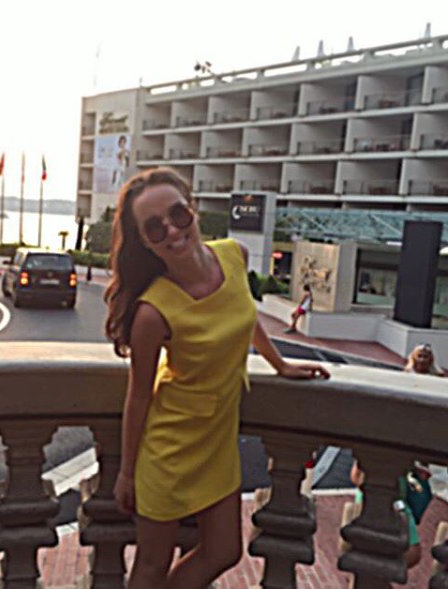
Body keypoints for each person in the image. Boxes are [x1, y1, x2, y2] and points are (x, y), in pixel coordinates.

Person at [104, 167, 330, 588]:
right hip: (169, 449)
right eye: (155, 227)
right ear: (144, 242)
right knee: (151, 565)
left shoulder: (234, 255)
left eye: (178, 214)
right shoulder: (152, 311)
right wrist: (127, 472)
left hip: (218, 440)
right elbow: (139, 396)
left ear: (193, 209)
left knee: (225, 550)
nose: (172, 230)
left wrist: (279, 364)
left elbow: (242, 312)